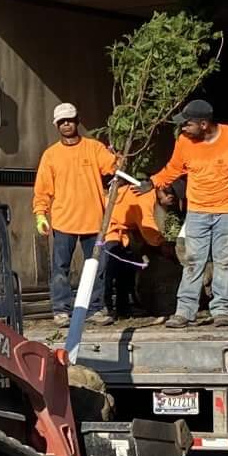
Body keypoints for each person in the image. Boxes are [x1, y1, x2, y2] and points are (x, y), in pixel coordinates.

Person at [150, 99, 228, 325]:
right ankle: (184, 311)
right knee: (193, 261)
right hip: (198, 211)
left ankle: (221, 310)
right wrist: (153, 182)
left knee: (224, 261)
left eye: (187, 124)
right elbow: (173, 168)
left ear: (203, 124)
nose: (183, 129)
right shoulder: (184, 141)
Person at [30, 102, 117, 321]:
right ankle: (61, 310)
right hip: (63, 221)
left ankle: (95, 309)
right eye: (62, 122)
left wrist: (119, 158)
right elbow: (42, 189)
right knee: (60, 268)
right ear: (57, 125)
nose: (66, 124)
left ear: (77, 121)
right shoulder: (51, 155)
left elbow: (113, 168)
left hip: (94, 220)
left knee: (96, 267)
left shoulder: (94, 148)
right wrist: (40, 213)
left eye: (70, 120)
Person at [100, 180, 171, 320]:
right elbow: (146, 225)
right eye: (168, 194)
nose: (170, 198)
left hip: (123, 230)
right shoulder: (146, 197)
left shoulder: (147, 193)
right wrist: (162, 243)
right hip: (110, 227)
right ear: (161, 190)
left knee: (125, 271)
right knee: (109, 270)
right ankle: (104, 307)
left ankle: (123, 308)